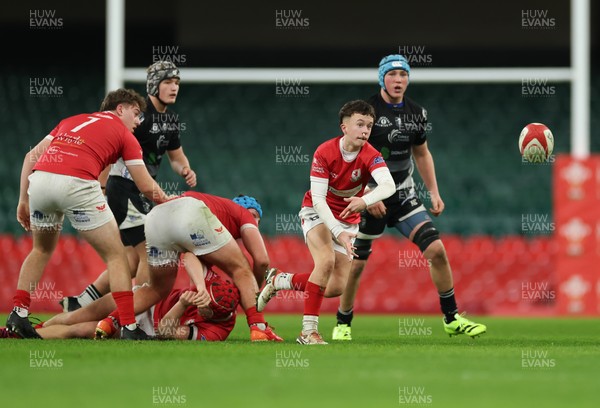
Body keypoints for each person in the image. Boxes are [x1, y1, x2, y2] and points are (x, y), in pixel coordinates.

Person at [329, 55, 486, 340]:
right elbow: (350, 158)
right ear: (381, 78)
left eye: (403, 74)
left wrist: (434, 192)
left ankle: (451, 319)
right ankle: (343, 323)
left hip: (403, 196)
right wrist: (367, 196)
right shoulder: (367, 113)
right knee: (356, 265)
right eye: (392, 74)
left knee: (436, 250)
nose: (398, 80)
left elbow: (422, 153)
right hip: (370, 198)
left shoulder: (417, 113)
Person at [6, 88, 171, 340]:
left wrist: (22, 200)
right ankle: (128, 327)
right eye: (136, 113)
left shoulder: (71, 121)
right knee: (117, 256)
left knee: (40, 250)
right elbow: (146, 185)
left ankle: (18, 314)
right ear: (120, 109)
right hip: (77, 184)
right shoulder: (125, 136)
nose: (138, 121)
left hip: (39, 182)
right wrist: (170, 204)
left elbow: (31, 156)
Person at [47, 193, 282, 342]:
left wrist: (196, 289)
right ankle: (258, 327)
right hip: (189, 212)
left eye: (256, 217)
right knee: (241, 268)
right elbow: (261, 261)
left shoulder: (213, 243)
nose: (255, 221)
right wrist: (256, 294)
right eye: (254, 216)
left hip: (158, 216)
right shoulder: (240, 217)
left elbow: (189, 256)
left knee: (155, 289)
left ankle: (110, 321)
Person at [59, 60, 197, 313]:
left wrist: (185, 170)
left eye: (176, 83)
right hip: (124, 188)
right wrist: (101, 188)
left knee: (131, 260)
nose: (174, 87)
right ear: (154, 85)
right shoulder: (139, 117)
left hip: (138, 192)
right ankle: (139, 317)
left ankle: (81, 304)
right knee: (149, 252)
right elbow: (109, 147)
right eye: (167, 82)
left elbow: (176, 158)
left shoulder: (172, 120)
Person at [256, 100, 395, 345]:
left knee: (335, 288)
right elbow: (319, 200)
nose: (365, 130)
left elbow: (388, 185)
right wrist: (337, 232)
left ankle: (280, 280)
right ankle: (308, 333)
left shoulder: (371, 154)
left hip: (348, 220)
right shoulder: (324, 152)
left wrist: (364, 201)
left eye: (369, 126)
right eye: (359, 124)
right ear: (344, 127)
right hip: (317, 213)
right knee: (326, 261)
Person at [1, 260, 239, 341]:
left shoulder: (216, 331)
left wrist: (182, 305)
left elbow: (166, 332)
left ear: (215, 314)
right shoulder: (213, 286)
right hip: (145, 299)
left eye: (205, 307)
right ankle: (27, 328)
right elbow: (189, 255)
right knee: (77, 314)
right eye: (202, 295)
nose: (201, 302)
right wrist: (198, 286)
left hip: (149, 327)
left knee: (80, 329)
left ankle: (22, 335)